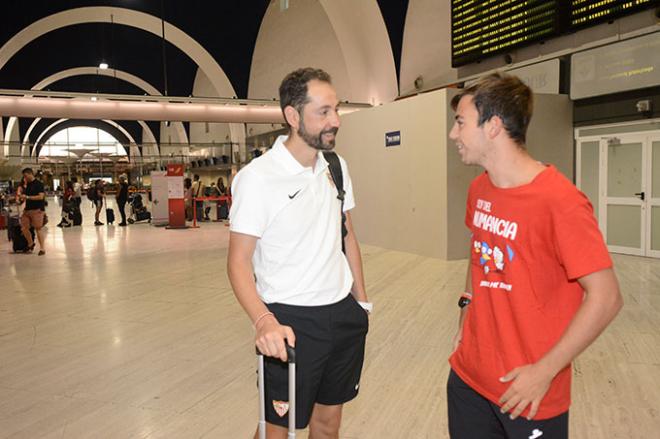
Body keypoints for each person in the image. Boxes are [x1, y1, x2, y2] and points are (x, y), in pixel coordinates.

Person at [447, 72, 623, 439]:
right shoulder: (480, 188)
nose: (453, 134)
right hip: (467, 378)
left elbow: (606, 298)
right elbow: (479, 252)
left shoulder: (560, 202)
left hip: (527, 391)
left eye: (460, 122)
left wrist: (544, 372)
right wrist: (467, 303)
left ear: (493, 126)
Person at [228, 67, 370, 439]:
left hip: (342, 314)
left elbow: (347, 233)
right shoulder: (257, 178)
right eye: (323, 112)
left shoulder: (336, 167)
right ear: (293, 116)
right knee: (279, 430)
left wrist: (361, 301)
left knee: (328, 425)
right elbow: (238, 261)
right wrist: (263, 321)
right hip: (289, 321)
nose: (335, 121)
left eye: (335, 110)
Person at [18, 168, 46, 255]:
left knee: (38, 229)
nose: (25, 178)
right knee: (23, 228)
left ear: (30, 174)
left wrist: (28, 197)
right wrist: (21, 198)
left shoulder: (39, 184)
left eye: (25, 176)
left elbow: (41, 197)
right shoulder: (27, 185)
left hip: (37, 210)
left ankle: (42, 248)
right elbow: (26, 196)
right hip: (27, 210)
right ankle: (30, 243)